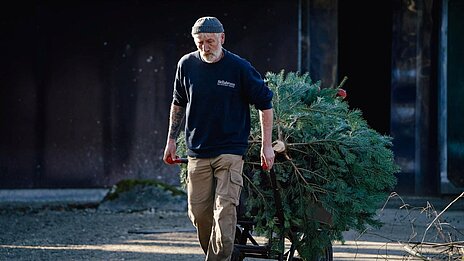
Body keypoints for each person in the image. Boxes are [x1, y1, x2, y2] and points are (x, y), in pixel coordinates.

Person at [163, 16, 275, 261]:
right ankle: (219, 255)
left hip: (230, 152)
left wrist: (267, 146)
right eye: (200, 42)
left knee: (224, 212)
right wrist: (171, 139)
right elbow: (178, 102)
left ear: (222, 38)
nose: (205, 47)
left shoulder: (239, 68)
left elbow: (265, 103)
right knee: (199, 214)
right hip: (197, 152)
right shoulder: (186, 65)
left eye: (210, 41)